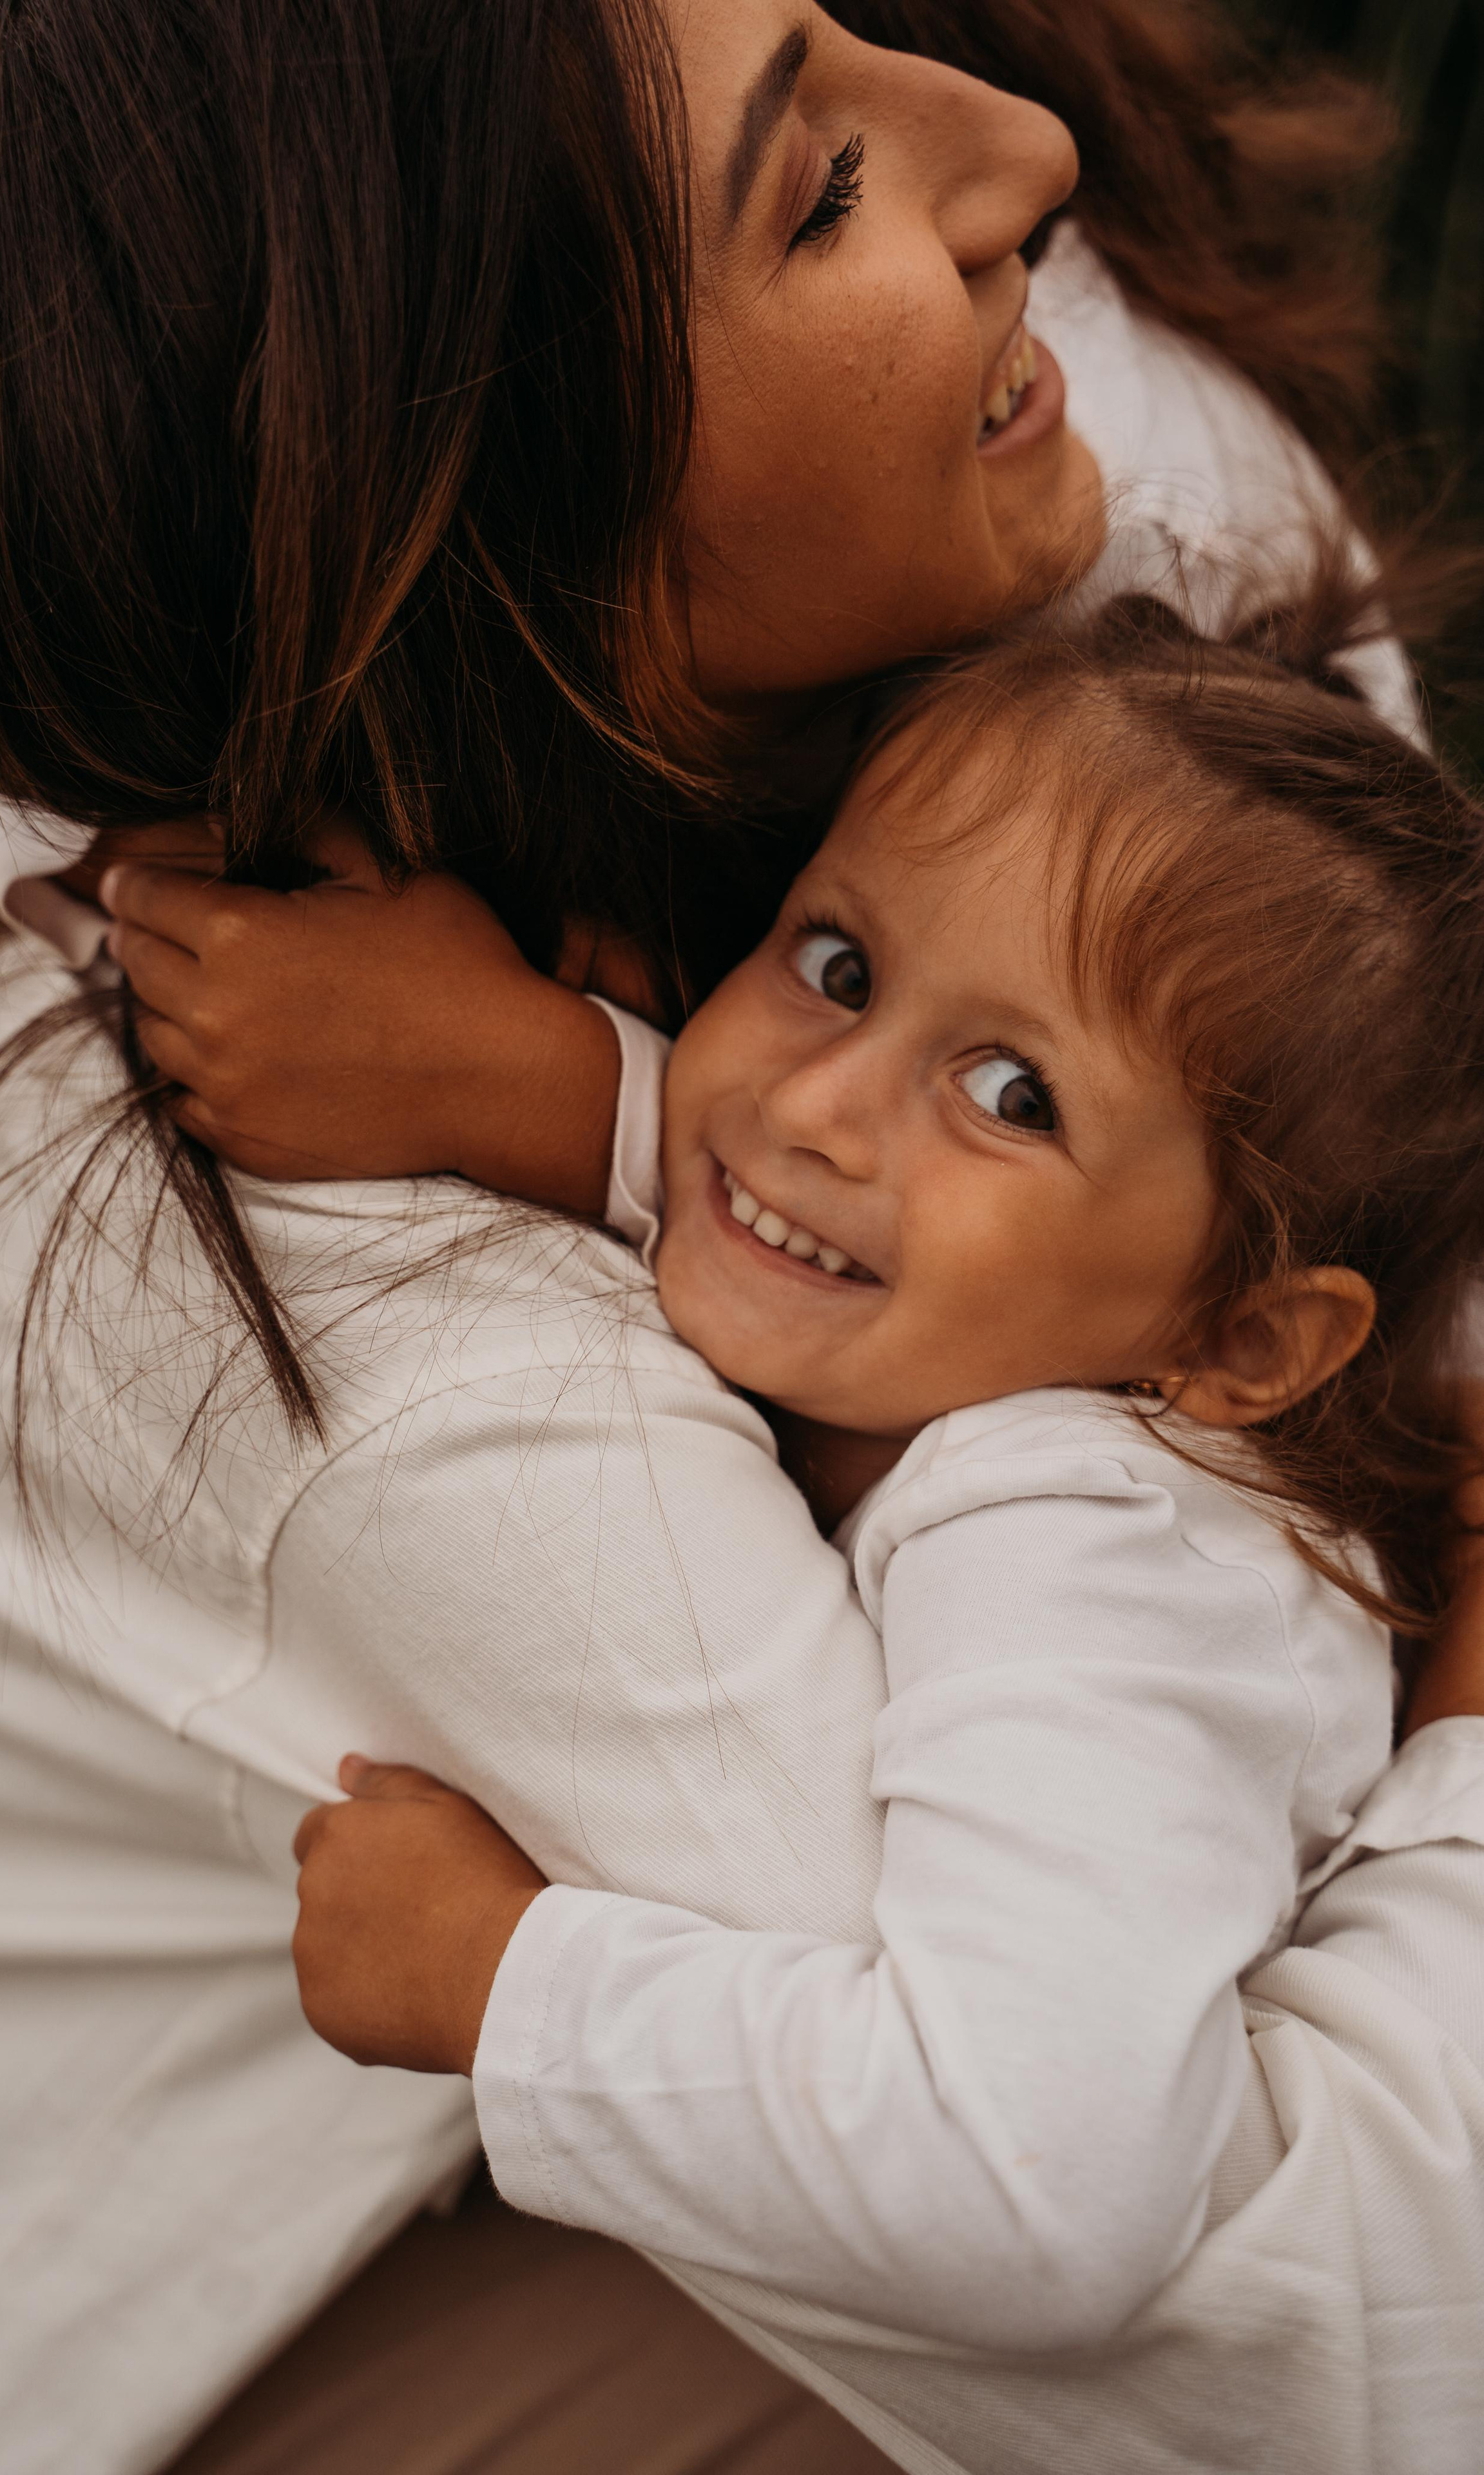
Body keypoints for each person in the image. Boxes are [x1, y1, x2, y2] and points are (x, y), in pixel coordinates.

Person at [0, 3, 1481, 2473]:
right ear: (532, 588)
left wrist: (563, 1099)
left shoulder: (1063, 469)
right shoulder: (409, 1373)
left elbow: (1306, 1191)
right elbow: (1277, 2336)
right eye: (814, 192)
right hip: (222, 2301)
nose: (1026, 151)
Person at [269, 581, 1484, 2353]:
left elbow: (1041, 2194)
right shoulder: (1025, 1358)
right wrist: (554, 1087)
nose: (818, 1107)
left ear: (1242, 1345)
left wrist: (508, 1988)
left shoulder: (1098, 1549)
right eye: (837, 965)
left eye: (1012, 1096)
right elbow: (834, 1237)